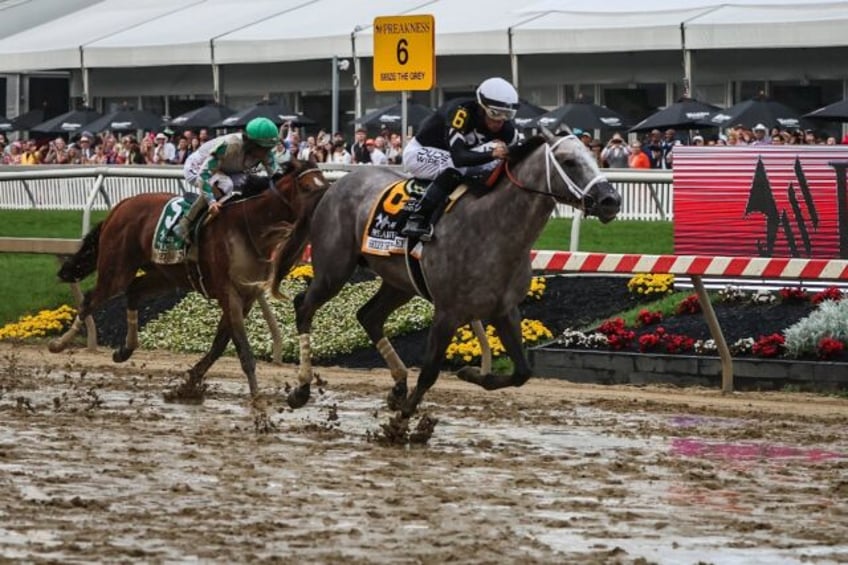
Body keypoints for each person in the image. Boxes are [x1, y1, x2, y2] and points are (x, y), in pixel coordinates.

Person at [400, 76, 519, 240]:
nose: (499, 122)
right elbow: (459, 158)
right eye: (495, 114)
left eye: (506, 115)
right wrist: (491, 154)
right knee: (459, 167)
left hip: (454, 155)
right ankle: (417, 218)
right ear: (481, 107)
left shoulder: (507, 129)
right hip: (420, 152)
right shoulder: (461, 112)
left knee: (495, 161)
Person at [175, 116, 281, 260]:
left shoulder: (265, 152)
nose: (265, 153)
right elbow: (204, 175)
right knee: (226, 185)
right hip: (198, 167)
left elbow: (277, 177)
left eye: (268, 148)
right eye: (262, 148)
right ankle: (185, 224)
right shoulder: (229, 145)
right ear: (251, 143)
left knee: (252, 183)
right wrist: (211, 201)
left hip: (227, 169)